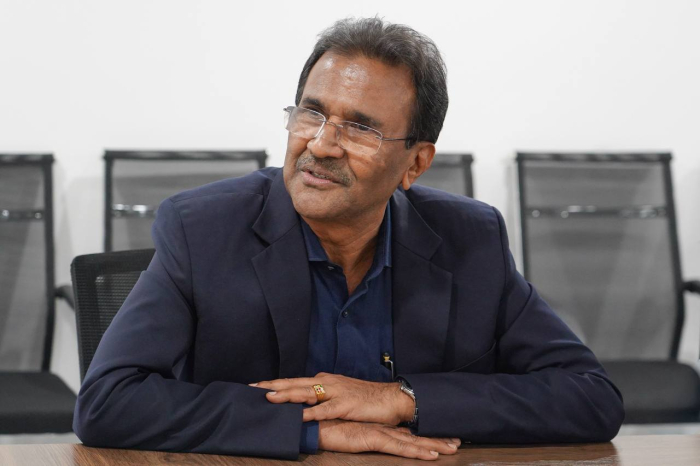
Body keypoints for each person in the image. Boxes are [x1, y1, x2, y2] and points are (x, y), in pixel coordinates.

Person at [73, 17, 624, 461]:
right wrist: (309, 429)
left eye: (360, 128)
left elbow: (591, 397)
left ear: (415, 163)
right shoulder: (202, 229)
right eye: (311, 113)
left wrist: (401, 400)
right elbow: (107, 403)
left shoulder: (470, 240)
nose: (321, 144)